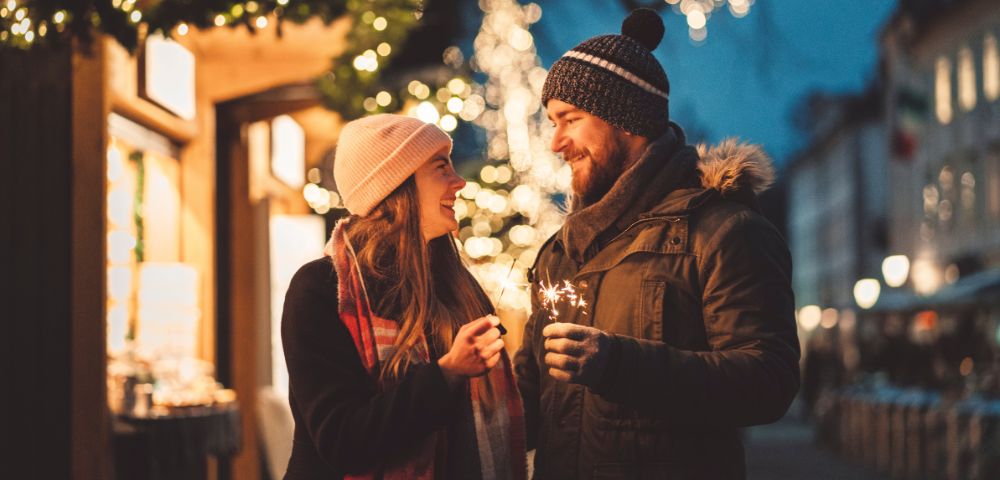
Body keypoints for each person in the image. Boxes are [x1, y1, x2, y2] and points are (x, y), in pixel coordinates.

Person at [513, 8, 800, 479]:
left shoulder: (723, 231)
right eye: (552, 123)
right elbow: (530, 398)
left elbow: (768, 380)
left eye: (571, 119)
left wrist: (619, 364)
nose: (556, 142)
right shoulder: (560, 253)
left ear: (626, 119)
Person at [281, 114, 526, 480]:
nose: (458, 182)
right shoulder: (320, 289)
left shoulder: (456, 286)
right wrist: (447, 374)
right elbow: (342, 442)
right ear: (395, 186)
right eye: (441, 167)